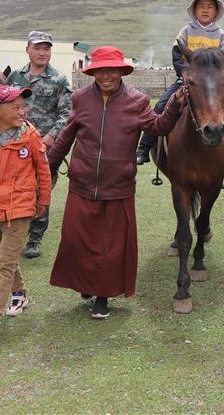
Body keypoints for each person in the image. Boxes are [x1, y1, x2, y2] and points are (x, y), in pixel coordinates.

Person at [48, 46, 184, 319]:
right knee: (77, 241)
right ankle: (87, 284)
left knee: (110, 249)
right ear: (93, 72)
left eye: (111, 70)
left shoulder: (136, 101)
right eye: (100, 70)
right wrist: (47, 167)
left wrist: (175, 103)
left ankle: (102, 296)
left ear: (122, 71)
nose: (106, 75)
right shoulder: (81, 99)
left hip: (117, 187)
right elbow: (65, 137)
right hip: (82, 183)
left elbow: (158, 128)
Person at [136, 0, 224, 171]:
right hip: (187, 82)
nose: (205, 10)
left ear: (216, 11)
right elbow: (177, 56)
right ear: (194, 10)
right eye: (201, 6)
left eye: (210, 7)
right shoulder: (186, 30)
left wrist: (217, 78)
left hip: (213, 84)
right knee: (161, 105)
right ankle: (143, 149)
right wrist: (186, 75)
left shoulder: (220, 34)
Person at [0, 86, 51, 338]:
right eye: (14, 107)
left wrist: (43, 202)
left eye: (23, 106)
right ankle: (20, 294)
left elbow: (43, 172)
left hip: (21, 208)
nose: (21, 111)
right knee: (6, 257)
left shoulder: (30, 136)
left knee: (3, 264)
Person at [5, 30, 72, 259]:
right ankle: (15, 232)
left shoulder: (59, 80)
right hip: (14, 145)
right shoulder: (15, 77)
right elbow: (4, 108)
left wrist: (52, 136)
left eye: (46, 48)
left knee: (39, 191)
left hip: (44, 146)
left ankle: (35, 238)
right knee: (13, 189)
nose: (42, 53)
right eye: (37, 48)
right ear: (28, 49)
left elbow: (66, 113)